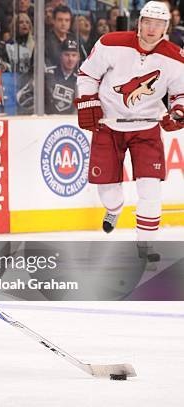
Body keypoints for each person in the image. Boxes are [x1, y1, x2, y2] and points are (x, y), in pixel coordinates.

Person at [75, 1, 184, 243]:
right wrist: (88, 101)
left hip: (146, 129)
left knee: (150, 189)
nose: (152, 29)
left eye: (158, 24)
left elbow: (181, 93)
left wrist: (178, 111)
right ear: (139, 23)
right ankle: (114, 209)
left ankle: (145, 245)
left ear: (166, 27)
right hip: (107, 124)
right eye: (147, 22)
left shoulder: (175, 58)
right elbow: (88, 74)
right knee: (108, 192)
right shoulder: (111, 43)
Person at [45, 39, 79, 114]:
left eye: (74, 55)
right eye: (67, 55)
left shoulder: (80, 79)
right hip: (47, 121)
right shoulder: (48, 74)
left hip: (69, 122)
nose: (70, 59)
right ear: (60, 56)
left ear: (78, 58)